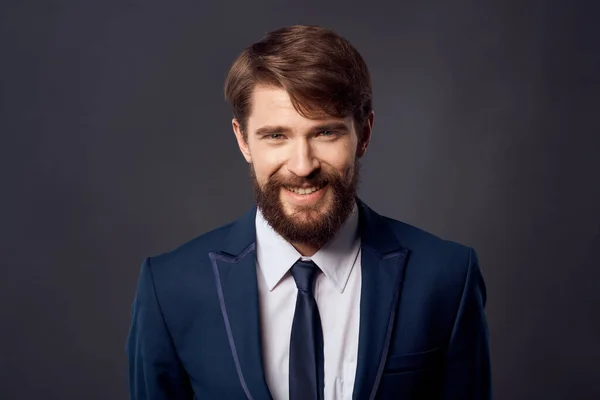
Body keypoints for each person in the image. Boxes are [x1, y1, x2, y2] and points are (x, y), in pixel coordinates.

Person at [126, 24, 492, 400]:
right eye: (276, 136)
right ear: (243, 140)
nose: (302, 166)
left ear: (363, 133)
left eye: (325, 133)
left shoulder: (446, 277)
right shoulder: (169, 288)